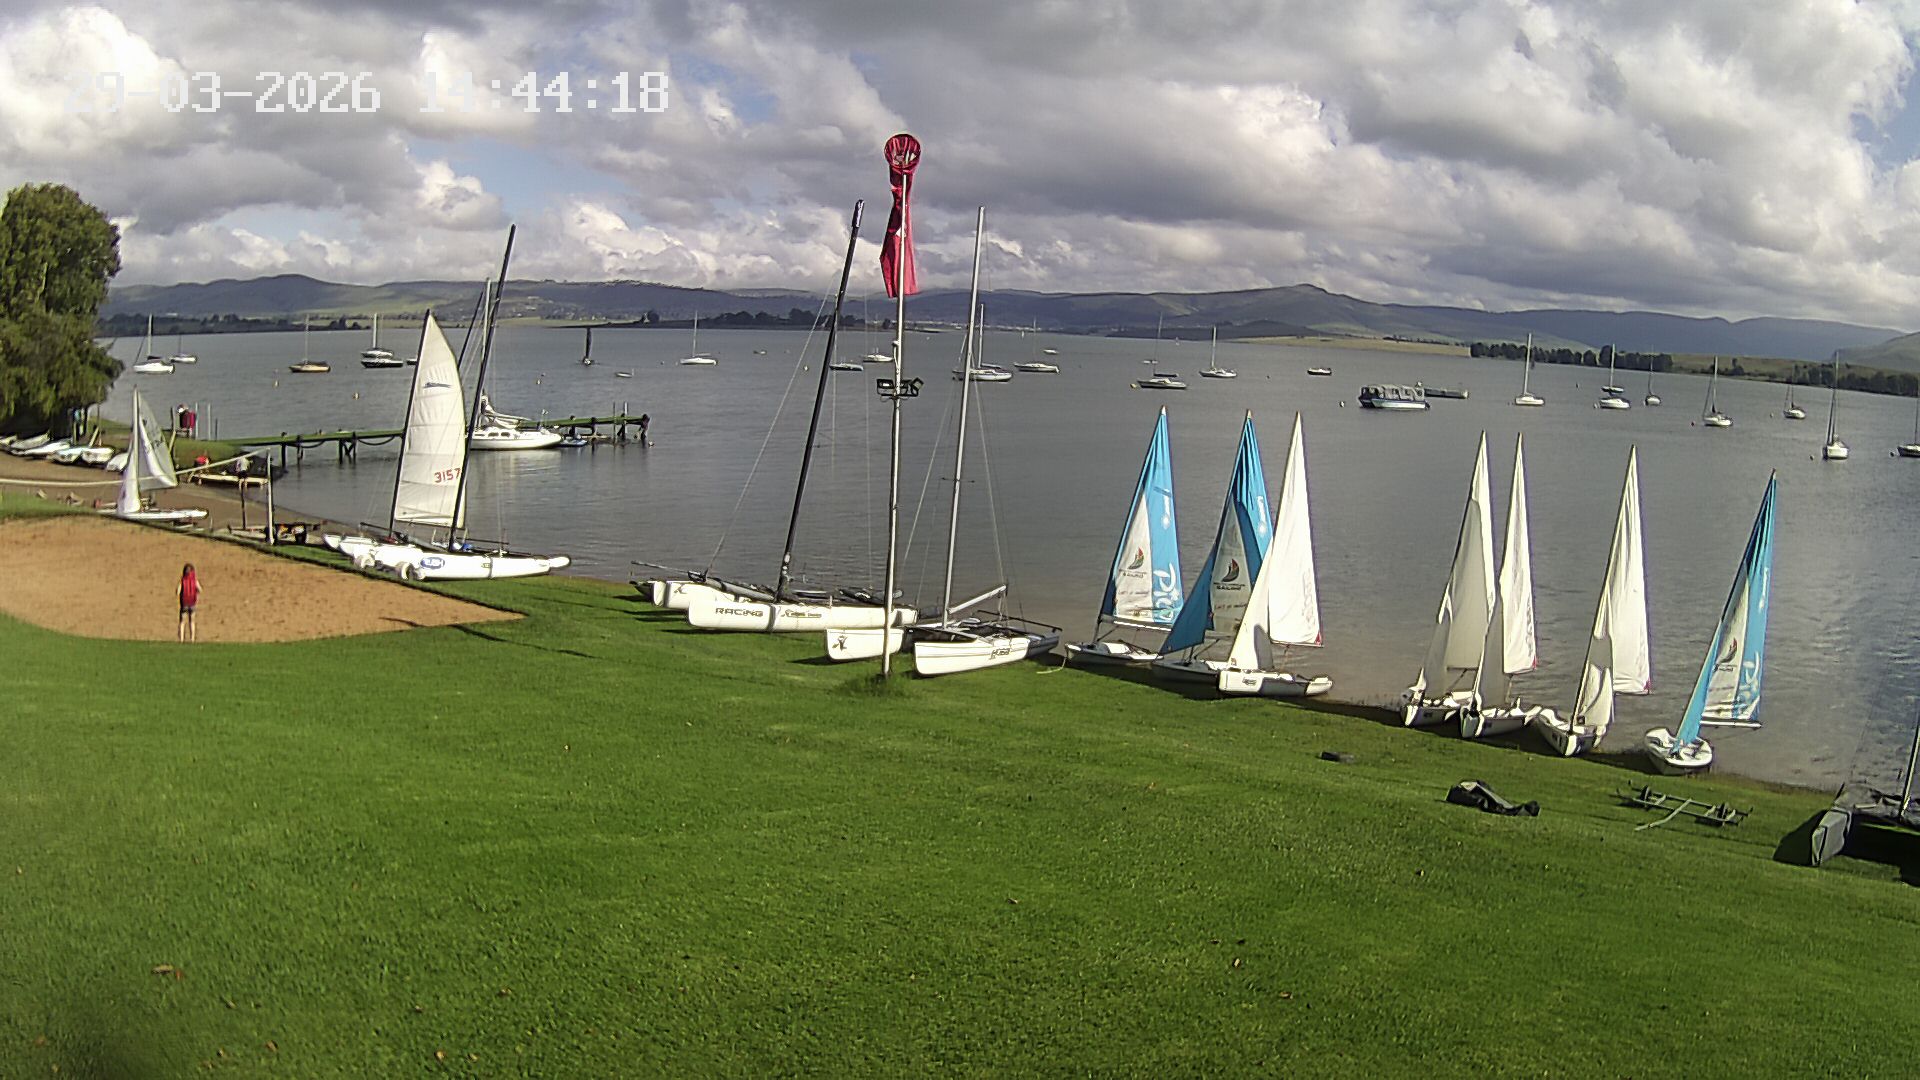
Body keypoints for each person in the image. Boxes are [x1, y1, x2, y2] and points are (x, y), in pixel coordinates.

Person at [177, 563, 200, 642]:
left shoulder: (182, 580)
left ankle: (181, 639)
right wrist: (196, 593)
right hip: (192, 603)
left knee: (182, 622)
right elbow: (200, 589)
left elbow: (177, 591)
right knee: (192, 621)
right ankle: (192, 638)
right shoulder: (194, 580)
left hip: (184, 603)